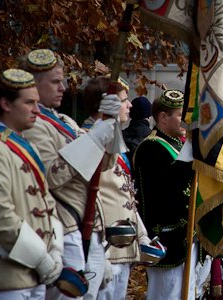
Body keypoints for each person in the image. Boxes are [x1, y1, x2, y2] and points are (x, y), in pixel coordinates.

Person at [21, 49, 121, 299]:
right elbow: (52, 176)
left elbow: (104, 164)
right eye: (55, 82)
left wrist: (111, 125)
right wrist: (96, 137)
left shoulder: (64, 119)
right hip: (63, 227)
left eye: (63, 80)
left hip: (87, 226)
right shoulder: (32, 126)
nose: (64, 87)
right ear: (32, 84)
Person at [0, 69, 63, 299]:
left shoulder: (22, 146)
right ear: (6, 104)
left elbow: (46, 202)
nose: (37, 110)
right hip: (3, 274)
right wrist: (41, 258)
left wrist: (56, 251)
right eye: (29, 103)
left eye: (37, 102)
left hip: (31, 273)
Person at [79, 76, 150, 300]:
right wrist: (97, 249)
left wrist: (142, 235)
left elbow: (123, 192)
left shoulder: (114, 143)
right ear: (106, 105)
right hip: (103, 245)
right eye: (123, 100)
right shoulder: (85, 139)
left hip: (122, 246)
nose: (129, 105)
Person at [132, 89, 197, 299]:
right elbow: (171, 187)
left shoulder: (175, 143)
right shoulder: (150, 147)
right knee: (167, 294)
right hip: (167, 237)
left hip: (185, 237)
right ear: (163, 117)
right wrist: (191, 147)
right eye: (181, 115)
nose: (185, 122)